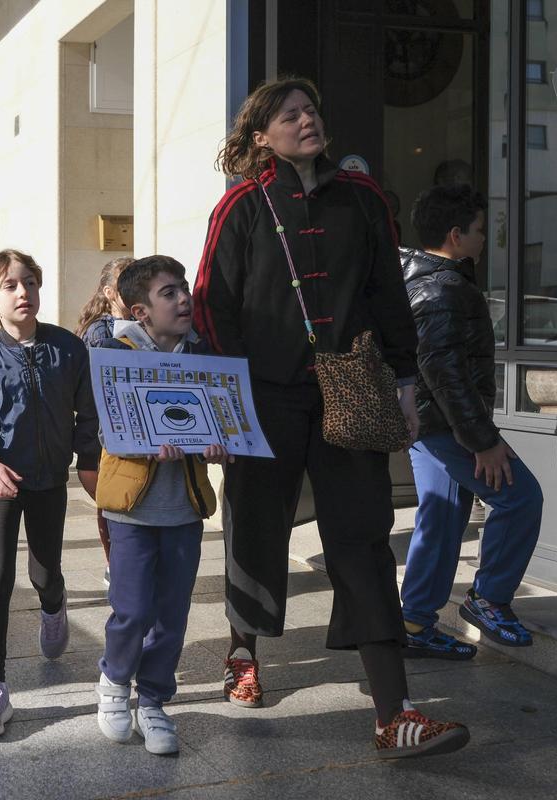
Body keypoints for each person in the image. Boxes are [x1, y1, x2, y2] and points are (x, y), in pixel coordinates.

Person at [193, 76, 468, 757]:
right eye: (290, 115)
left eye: (312, 109)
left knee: (364, 537)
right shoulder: (241, 208)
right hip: (263, 397)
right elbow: (211, 306)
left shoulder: (363, 201)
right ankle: (242, 649)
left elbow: (387, 298)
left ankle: (393, 711)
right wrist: (225, 409)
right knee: (255, 524)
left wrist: (405, 383)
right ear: (261, 136)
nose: (307, 120)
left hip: (348, 390)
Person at [0, 249, 100, 738]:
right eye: (11, 286)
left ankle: (54, 607)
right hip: (0, 480)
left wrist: (90, 463)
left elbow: (88, 415)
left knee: (45, 570)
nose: (24, 293)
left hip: (50, 479)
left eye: (30, 283)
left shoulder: (68, 349)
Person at [91, 256, 231, 756]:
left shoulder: (203, 355)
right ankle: (113, 685)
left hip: (184, 509)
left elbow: (222, 423)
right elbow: (107, 429)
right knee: (130, 609)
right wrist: (148, 441)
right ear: (140, 311)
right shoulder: (116, 352)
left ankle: (153, 700)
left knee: (171, 615)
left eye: (184, 289)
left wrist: (220, 443)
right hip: (131, 509)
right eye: (168, 293)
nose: (183, 299)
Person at [401, 184, 544, 656]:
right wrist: (483, 440)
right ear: (456, 234)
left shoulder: (422, 276)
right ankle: (489, 600)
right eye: (480, 230)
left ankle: (415, 624)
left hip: (430, 426)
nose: (486, 239)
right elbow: (444, 374)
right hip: (447, 427)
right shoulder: (440, 287)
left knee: (441, 519)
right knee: (520, 498)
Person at [75, 254, 135, 586]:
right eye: (127, 284)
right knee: (111, 504)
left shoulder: (153, 324)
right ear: (109, 292)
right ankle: (115, 563)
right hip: (103, 434)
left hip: (131, 432)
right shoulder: (99, 333)